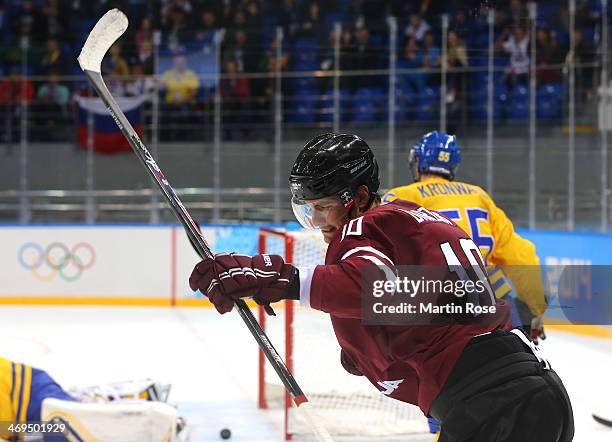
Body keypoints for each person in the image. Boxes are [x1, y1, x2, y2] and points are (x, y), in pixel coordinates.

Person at [189, 133, 574, 441]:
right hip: (540, 390)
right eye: (307, 210)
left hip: (487, 407)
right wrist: (369, 348)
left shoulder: (362, 225)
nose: (318, 221)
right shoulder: (421, 217)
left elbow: (374, 287)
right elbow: (424, 300)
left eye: (322, 207)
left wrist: (282, 278)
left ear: (357, 198)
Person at [383, 131, 548, 343]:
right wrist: (535, 308)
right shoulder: (478, 195)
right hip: (491, 297)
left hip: (436, 302)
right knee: (518, 361)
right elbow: (521, 256)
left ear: (419, 162)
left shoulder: (402, 195)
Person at [0, 356, 183, 441]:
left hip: (31, 398)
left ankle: (143, 421)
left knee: (73, 429)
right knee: (72, 427)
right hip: (22, 416)